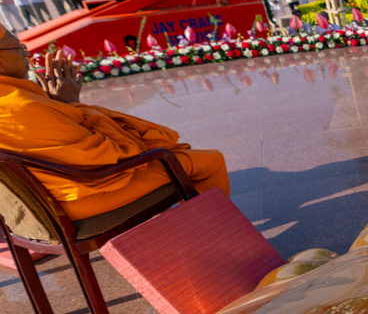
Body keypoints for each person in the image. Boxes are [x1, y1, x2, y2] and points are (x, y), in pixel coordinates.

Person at [0, 29, 229, 223]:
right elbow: (113, 156)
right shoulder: (19, 105)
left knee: (173, 155)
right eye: (19, 49)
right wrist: (72, 104)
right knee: (209, 161)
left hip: (34, 204)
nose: (26, 55)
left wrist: (61, 106)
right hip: (78, 199)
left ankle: (193, 229)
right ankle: (220, 234)